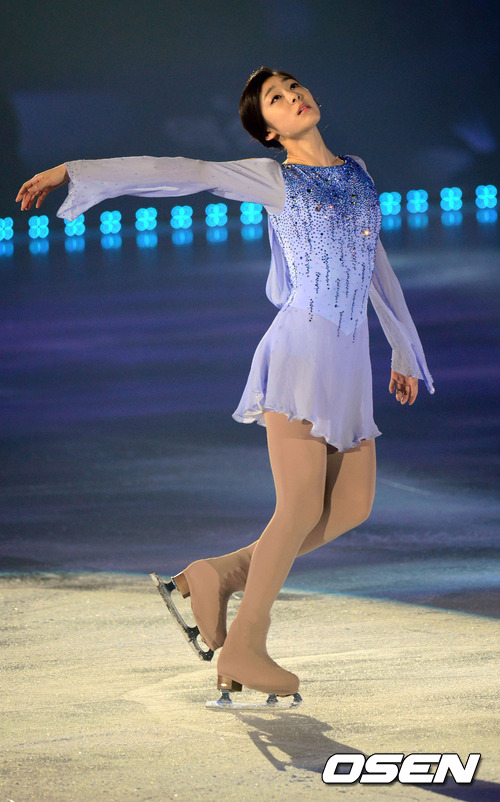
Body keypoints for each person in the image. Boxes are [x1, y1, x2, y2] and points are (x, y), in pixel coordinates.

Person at [15, 66, 434, 703]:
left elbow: (375, 262)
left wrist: (402, 345)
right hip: (304, 348)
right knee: (299, 507)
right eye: (275, 99)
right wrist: (75, 171)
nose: (293, 97)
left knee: (351, 505)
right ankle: (245, 645)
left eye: (293, 86)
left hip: (352, 359)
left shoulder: (358, 171)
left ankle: (215, 575)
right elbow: (184, 171)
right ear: (268, 130)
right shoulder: (275, 178)